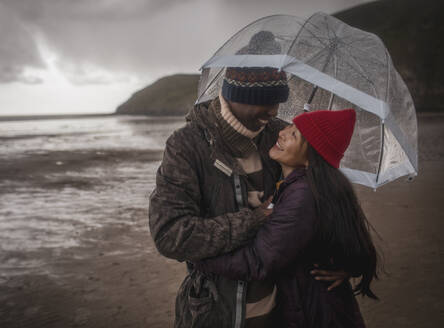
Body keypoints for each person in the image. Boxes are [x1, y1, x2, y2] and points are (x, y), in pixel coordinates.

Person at [149, 31, 349, 327]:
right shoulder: (187, 146)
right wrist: (254, 220)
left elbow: (324, 200)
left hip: (286, 311)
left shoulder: (280, 139)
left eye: (277, 101)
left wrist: (344, 259)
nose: (273, 111)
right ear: (234, 95)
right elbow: (170, 235)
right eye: (263, 101)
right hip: (215, 314)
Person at [195, 109, 380, 328]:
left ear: (312, 157)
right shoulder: (307, 186)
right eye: (290, 127)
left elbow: (259, 261)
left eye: (294, 135)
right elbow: (356, 242)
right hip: (320, 305)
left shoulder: (302, 195)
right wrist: (349, 267)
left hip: (316, 313)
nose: (282, 133)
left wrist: (198, 255)